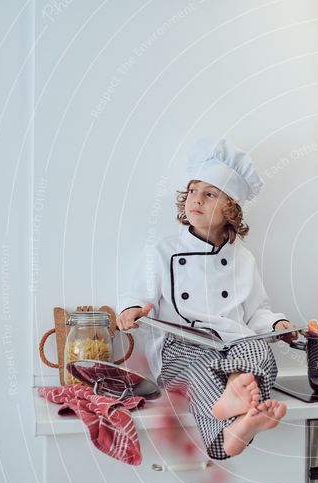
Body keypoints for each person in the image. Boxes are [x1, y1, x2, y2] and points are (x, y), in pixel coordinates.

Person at [117, 138, 297, 459]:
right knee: (203, 365)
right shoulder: (162, 252)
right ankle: (237, 393)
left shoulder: (242, 259)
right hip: (180, 347)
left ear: (231, 209)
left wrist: (277, 323)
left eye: (209, 194)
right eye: (192, 191)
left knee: (259, 351)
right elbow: (138, 294)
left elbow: (256, 313)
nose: (196, 199)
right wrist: (132, 308)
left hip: (232, 344)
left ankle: (236, 428)